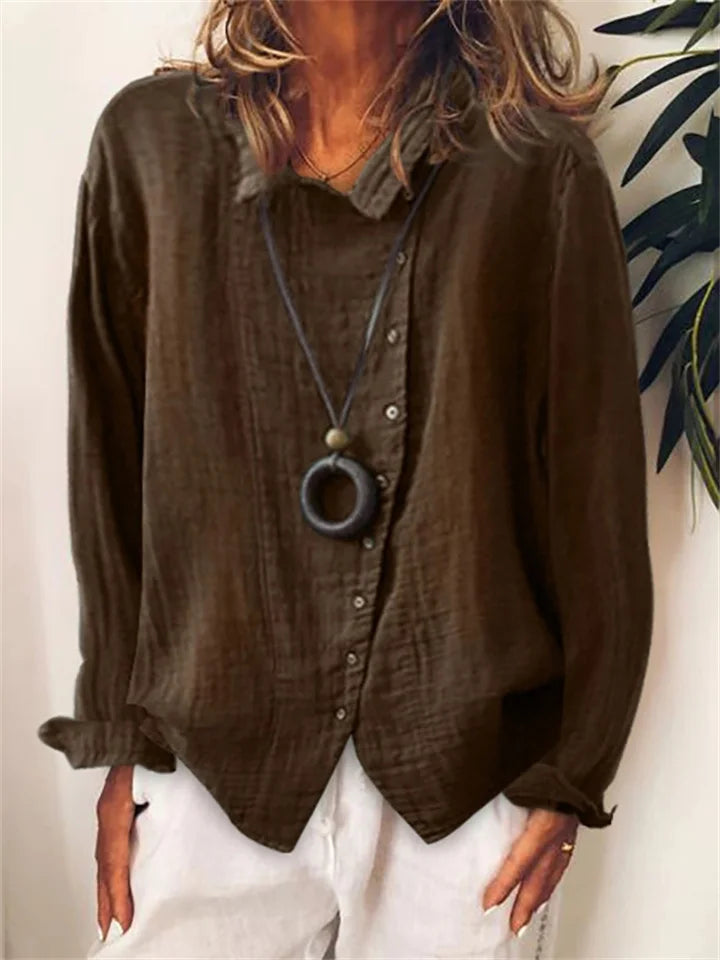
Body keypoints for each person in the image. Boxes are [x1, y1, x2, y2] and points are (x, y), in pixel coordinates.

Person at [37, 1, 654, 958]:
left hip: (463, 779)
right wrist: (119, 738)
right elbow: (106, 465)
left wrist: (573, 768)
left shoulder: (535, 171)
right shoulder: (149, 149)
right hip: (210, 762)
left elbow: (594, 497)